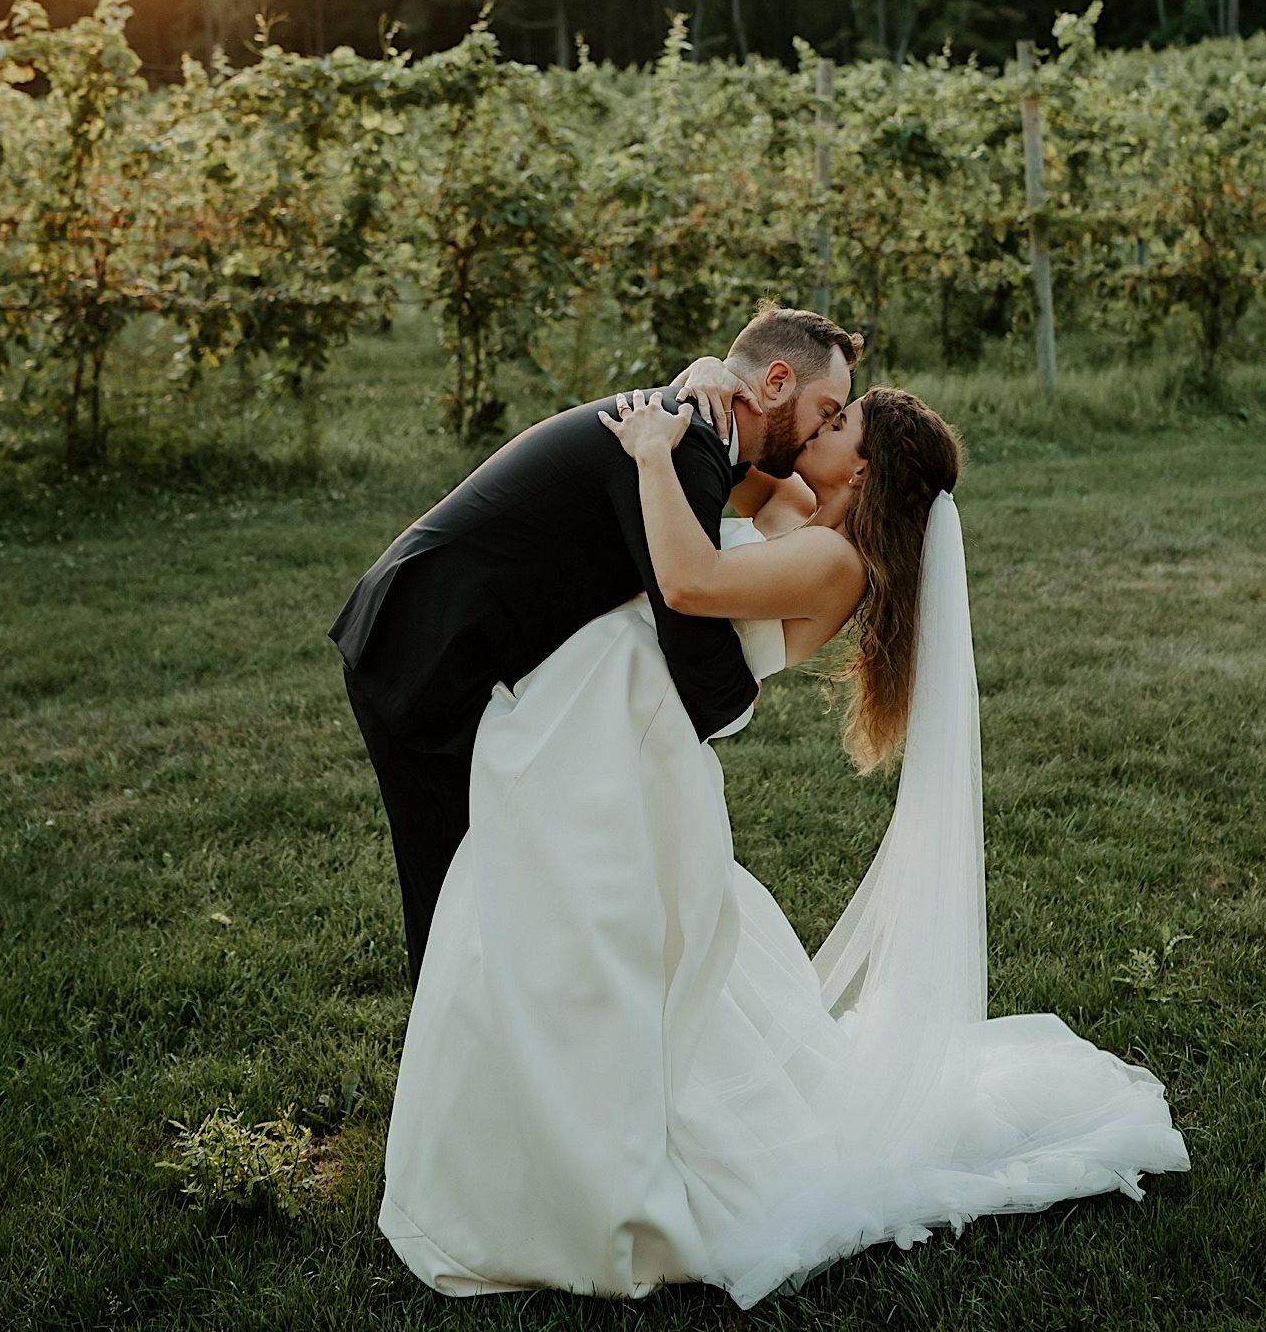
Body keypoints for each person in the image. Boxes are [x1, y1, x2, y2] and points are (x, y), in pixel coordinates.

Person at [373, 363, 1191, 1307]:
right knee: (573, 931)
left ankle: (586, 1169)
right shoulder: (818, 523)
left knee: (582, 935)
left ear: (868, 471)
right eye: (831, 409)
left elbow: (686, 577)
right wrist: (707, 387)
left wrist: (647, 455)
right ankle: (528, 1132)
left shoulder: (834, 563)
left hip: (627, 733)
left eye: (844, 423)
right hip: (613, 717)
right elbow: (747, 472)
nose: (828, 424)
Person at [329, 302, 861, 994]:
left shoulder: (699, 433)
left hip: (471, 645)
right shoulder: (682, 442)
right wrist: (724, 707)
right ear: (778, 381)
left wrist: (711, 368)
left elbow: (765, 509)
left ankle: (497, 1049)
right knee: (457, 882)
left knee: (507, 880)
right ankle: (461, 1066)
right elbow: (688, 616)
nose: (826, 427)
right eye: (829, 408)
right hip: (425, 642)